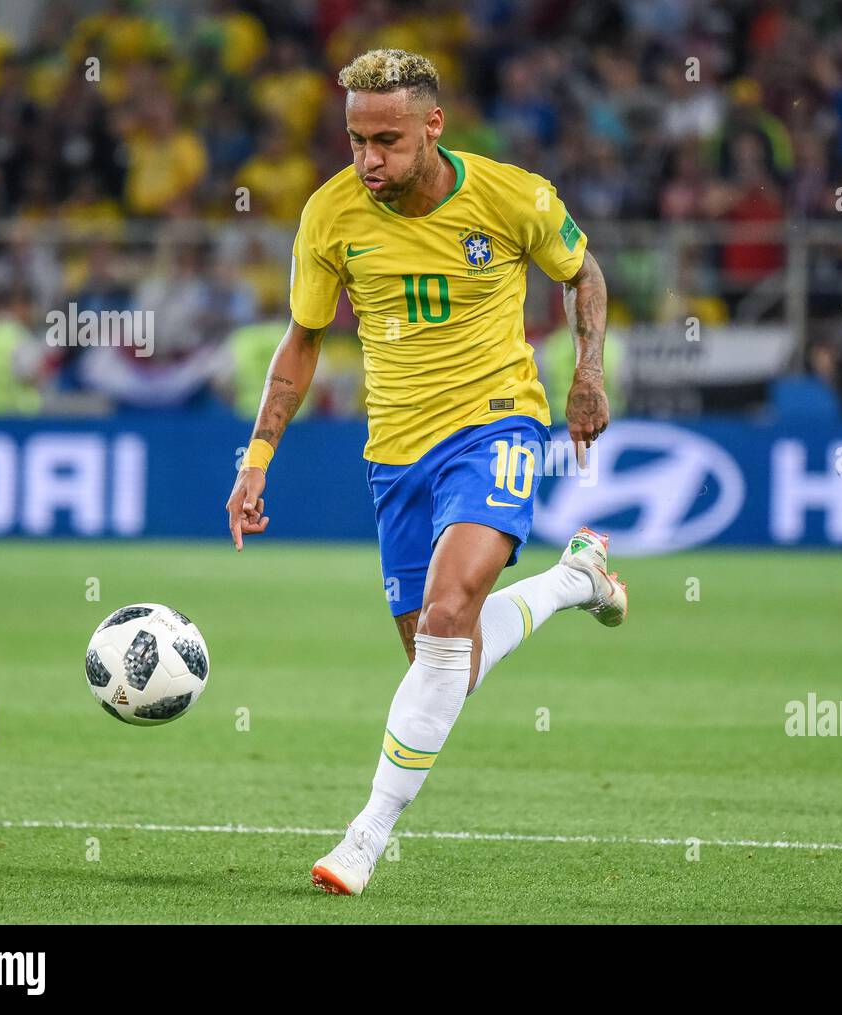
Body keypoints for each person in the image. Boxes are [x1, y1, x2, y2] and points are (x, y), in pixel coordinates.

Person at [223, 49, 627, 896]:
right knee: (446, 659)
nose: (370, 159)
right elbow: (301, 344)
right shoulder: (330, 217)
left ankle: (364, 836)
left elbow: (582, 273)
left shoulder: (514, 195)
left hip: (497, 425)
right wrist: (256, 457)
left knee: (448, 614)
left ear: (433, 126)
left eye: (388, 140)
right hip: (395, 453)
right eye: (357, 140)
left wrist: (587, 370)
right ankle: (573, 580)